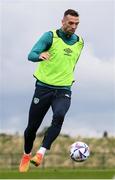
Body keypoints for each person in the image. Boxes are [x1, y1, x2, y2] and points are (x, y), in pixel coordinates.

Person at [19, 9, 84, 172]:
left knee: (59, 116)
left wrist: (67, 79)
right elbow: (31, 54)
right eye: (70, 23)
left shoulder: (80, 42)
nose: (74, 26)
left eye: (77, 24)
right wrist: (39, 55)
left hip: (63, 89)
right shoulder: (50, 36)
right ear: (62, 21)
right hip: (43, 88)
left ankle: (40, 153)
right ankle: (27, 154)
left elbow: (71, 64)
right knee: (32, 128)